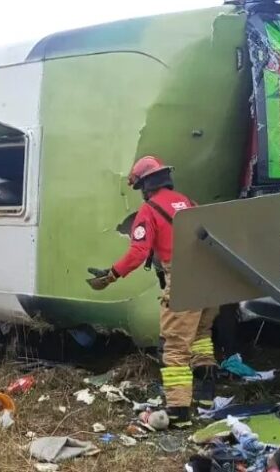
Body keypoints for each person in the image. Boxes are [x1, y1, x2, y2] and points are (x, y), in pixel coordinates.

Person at [86, 156, 213, 427]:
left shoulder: (149, 210)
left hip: (184, 278)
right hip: (210, 278)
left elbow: (138, 252)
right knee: (201, 335)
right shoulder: (188, 202)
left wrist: (111, 274)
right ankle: (206, 397)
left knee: (175, 346)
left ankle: (179, 411)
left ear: (145, 185)